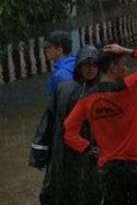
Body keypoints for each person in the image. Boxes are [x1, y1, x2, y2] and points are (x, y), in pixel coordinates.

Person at [63, 44, 137, 205]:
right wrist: (127, 50)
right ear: (112, 68)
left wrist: (88, 148)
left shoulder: (86, 100)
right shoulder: (131, 87)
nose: (127, 68)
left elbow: (68, 132)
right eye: (123, 64)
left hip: (109, 168)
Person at [29, 45, 102, 205]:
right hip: (62, 152)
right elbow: (48, 119)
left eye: (94, 64)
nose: (90, 69)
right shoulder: (63, 88)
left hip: (89, 155)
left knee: (89, 194)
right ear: (78, 66)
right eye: (86, 64)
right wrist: (39, 154)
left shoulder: (102, 93)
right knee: (59, 192)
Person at [43, 30, 76, 99]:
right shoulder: (77, 62)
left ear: (59, 50)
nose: (46, 50)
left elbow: (54, 104)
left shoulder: (58, 76)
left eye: (49, 47)